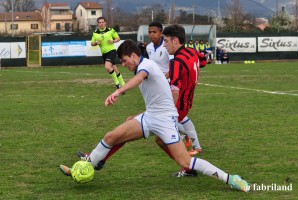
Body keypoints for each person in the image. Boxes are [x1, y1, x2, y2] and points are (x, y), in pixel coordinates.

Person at [60, 39, 250, 193]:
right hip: (150, 117)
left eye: (125, 60)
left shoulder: (146, 66)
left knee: (184, 161)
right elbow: (142, 81)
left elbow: (139, 78)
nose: (124, 65)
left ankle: (230, 179)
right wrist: (122, 93)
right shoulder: (142, 66)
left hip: (166, 120)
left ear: (134, 55)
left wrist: (117, 92)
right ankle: (84, 167)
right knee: (112, 136)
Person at [146, 22, 203, 156]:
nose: (164, 45)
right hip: (188, 99)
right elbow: (203, 60)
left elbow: (175, 90)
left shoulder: (176, 62)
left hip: (180, 102)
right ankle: (195, 146)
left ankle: (188, 164)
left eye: (166, 41)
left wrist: (168, 110)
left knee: (161, 136)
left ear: (175, 40)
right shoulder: (191, 51)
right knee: (179, 123)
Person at [91, 17, 125, 89]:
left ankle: (117, 83)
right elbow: (92, 43)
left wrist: (113, 41)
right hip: (104, 54)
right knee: (115, 69)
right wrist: (96, 43)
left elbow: (118, 38)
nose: (101, 24)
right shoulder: (95, 33)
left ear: (105, 23)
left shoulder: (110, 30)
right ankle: (123, 84)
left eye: (102, 22)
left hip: (112, 51)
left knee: (107, 67)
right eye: (99, 22)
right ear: (98, 24)